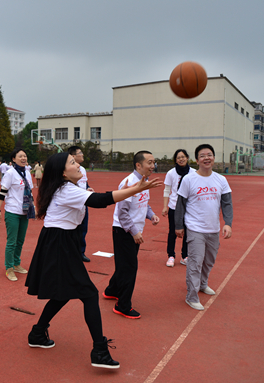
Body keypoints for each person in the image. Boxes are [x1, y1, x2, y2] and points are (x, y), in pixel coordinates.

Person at [25, 152, 162, 368]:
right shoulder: (66, 189)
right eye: (72, 162)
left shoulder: (69, 188)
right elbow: (100, 201)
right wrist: (136, 189)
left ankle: (37, 333)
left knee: (64, 294)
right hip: (59, 244)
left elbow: (89, 199)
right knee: (89, 294)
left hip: (62, 241)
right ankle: (99, 350)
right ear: (62, 172)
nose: (78, 164)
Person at [175, 144, 233, 311]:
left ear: (214, 158)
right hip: (195, 228)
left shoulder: (221, 179)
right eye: (202, 155)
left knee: (209, 261)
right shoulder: (189, 179)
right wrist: (179, 226)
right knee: (195, 263)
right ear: (197, 160)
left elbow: (227, 203)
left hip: (213, 229)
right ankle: (191, 296)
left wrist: (227, 223)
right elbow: (180, 204)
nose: (206, 158)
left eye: (209, 155)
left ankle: (202, 284)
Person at [104, 151, 160, 319]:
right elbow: (122, 213)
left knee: (124, 265)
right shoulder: (129, 182)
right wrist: (134, 232)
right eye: (149, 162)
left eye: (154, 162)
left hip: (132, 230)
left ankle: (111, 290)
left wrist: (151, 215)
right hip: (124, 231)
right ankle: (123, 306)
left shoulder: (145, 182)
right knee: (129, 268)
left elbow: (144, 203)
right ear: (138, 165)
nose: (153, 166)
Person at [0, 149, 35, 282]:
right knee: (12, 241)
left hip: (25, 211)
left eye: (25, 156)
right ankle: (9, 268)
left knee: (20, 240)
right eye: (20, 156)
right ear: (13, 159)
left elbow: (30, 192)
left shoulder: (28, 173)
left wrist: (33, 206)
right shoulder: (10, 173)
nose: (23, 158)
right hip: (12, 211)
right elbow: (2, 192)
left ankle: (17, 264)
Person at [161, 149, 196, 267]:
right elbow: (167, 190)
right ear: (175, 160)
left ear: (187, 158)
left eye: (183, 157)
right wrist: (165, 206)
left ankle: (184, 256)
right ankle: (171, 256)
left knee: (188, 232)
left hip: (189, 207)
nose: (181, 159)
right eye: (178, 157)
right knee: (173, 232)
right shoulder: (171, 173)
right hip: (174, 206)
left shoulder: (194, 173)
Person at [68, 146, 93, 262]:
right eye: (80, 153)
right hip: (74, 204)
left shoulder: (82, 169)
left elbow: (85, 183)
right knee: (73, 229)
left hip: (83, 203)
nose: (82, 154)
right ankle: (71, 253)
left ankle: (81, 252)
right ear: (73, 156)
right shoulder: (68, 170)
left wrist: (88, 188)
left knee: (83, 229)